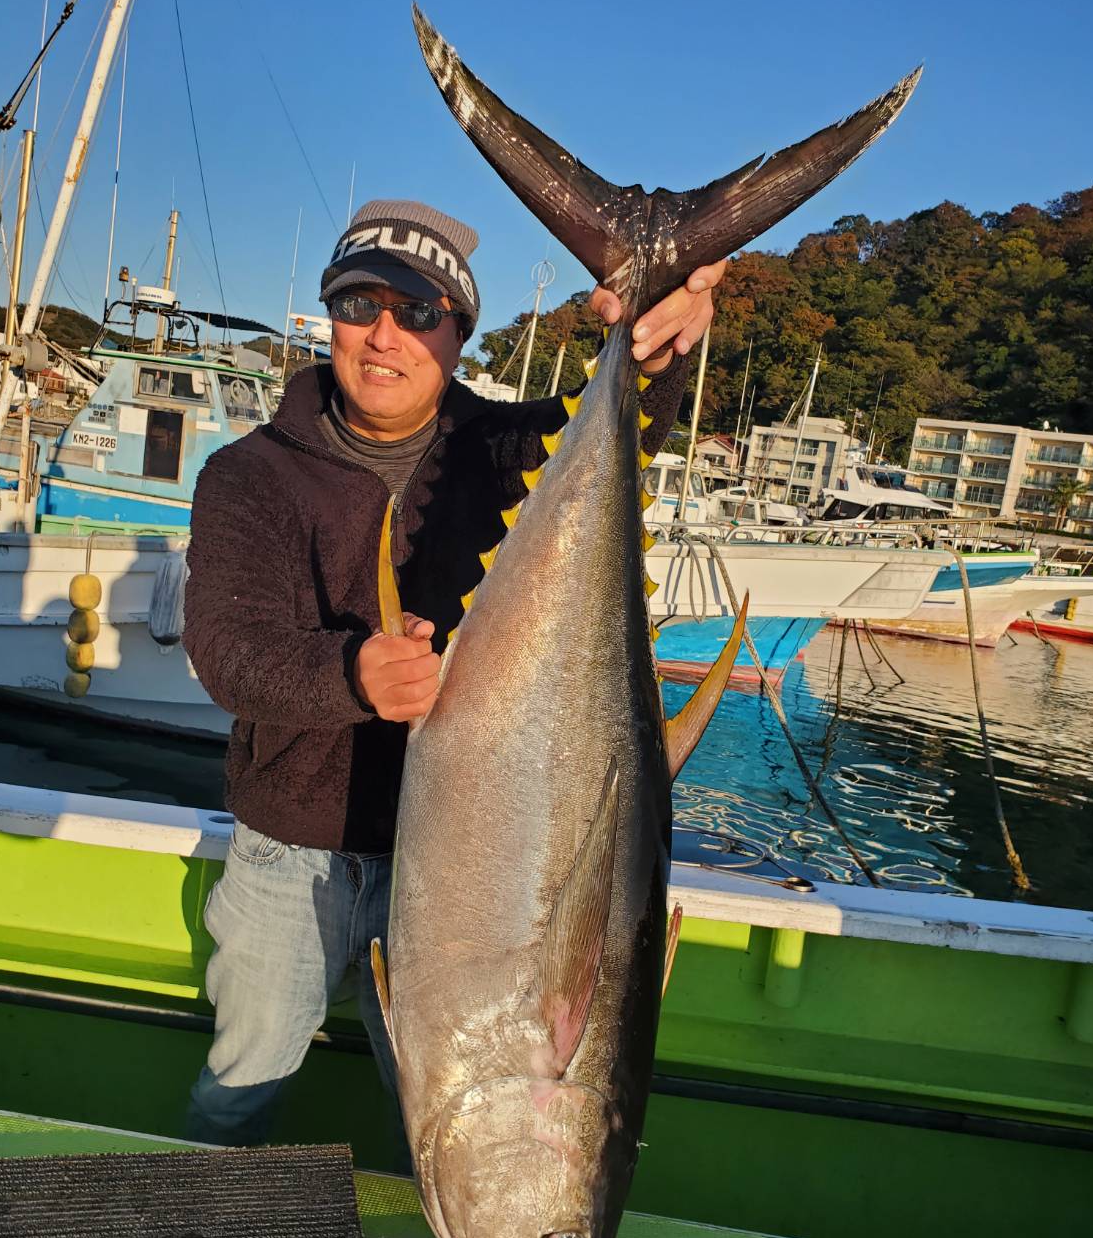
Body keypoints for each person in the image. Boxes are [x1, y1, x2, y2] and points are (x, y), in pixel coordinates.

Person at [182, 199, 724, 1149]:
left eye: (419, 309)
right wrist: (352, 674)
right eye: (359, 303)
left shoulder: (510, 453)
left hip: (464, 876)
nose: (384, 332)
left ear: (458, 330)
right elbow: (226, 649)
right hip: (289, 853)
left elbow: (622, 431)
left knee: (445, 1106)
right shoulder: (247, 475)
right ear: (329, 319)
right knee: (243, 1076)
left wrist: (659, 340)